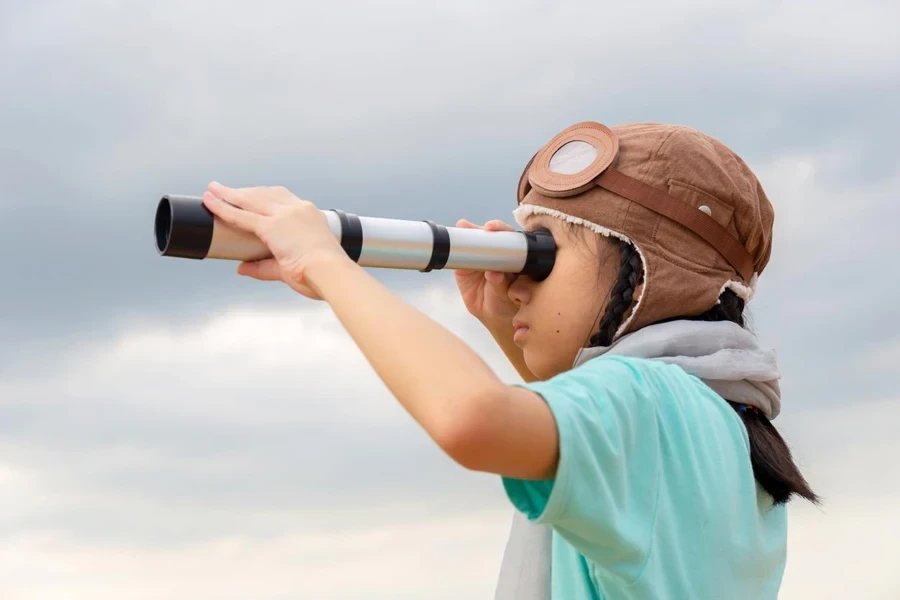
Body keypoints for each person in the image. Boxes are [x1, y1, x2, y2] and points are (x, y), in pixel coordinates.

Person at [200, 120, 818, 600]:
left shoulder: (651, 402)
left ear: (643, 271)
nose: (519, 282)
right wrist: (504, 328)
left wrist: (327, 263)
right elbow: (564, 439)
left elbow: (474, 418)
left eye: (541, 257)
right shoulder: (717, 420)